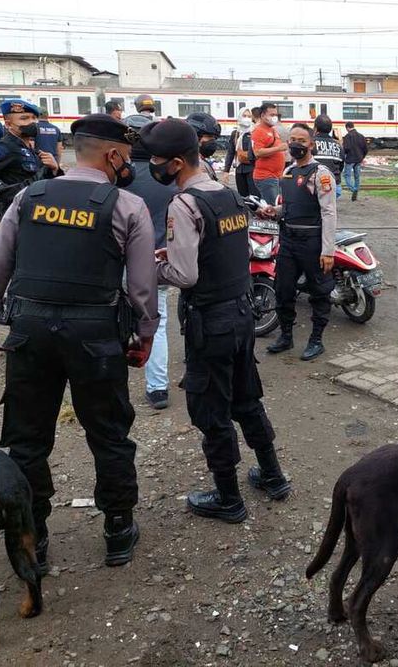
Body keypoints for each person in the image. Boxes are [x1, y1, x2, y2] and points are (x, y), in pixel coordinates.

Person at [0, 113, 159, 570]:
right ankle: (117, 529)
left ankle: (34, 533)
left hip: (30, 332)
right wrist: (145, 334)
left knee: (27, 440)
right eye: (126, 157)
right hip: (95, 336)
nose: (127, 165)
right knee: (109, 434)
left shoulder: (28, 197)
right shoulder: (127, 206)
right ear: (112, 155)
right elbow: (142, 287)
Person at [145, 118, 291, 521]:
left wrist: (149, 268)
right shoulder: (226, 195)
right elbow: (223, 250)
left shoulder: (184, 203)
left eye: (157, 160)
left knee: (212, 408)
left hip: (209, 320)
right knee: (247, 398)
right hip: (241, 313)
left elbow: (186, 275)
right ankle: (273, 476)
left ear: (176, 162)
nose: (153, 166)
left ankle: (228, 498)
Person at [259, 123, 338, 361]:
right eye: (292, 139)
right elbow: (292, 206)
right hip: (289, 241)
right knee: (283, 291)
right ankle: (285, 336)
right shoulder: (288, 172)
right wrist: (275, 210)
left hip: (313, 242)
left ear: (311, 144)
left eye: (301, 141)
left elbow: (329, 213)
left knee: (319, 293)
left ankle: (316, 340)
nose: (295, 144)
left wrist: (328, 251)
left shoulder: (321, 173)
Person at [123, 112, 177, 409]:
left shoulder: (119, 177)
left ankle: (111, 383)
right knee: (157, 324)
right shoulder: (170, 178)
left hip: (120, 262)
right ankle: (158, 388)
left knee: (112, 320)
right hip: (157, 262)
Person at [0, 100, 62, 226]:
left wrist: (54, 168)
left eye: (34, 118)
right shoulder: (5, 148)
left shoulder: (30, 148)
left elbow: (38, 181)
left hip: (34, 213)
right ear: (9, 124)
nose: (32, 122)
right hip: (16, 216)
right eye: (24, 118)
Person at [251, 102, 288, 205]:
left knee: (277, 205)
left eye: (275, 115)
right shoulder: (259, 131)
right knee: (272, 208)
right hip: (266, 177)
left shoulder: (272, 130)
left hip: (275, 176)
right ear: (262, 115)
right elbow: (257, 152)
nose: (274, 117)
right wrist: (278, 148)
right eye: (271, 115)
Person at [225, 107, 259, 198]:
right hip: (240, 169)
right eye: (244, 116)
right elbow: (231, 152)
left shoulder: (255, 132)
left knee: (254, 196)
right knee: (242, 196)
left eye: (249, 116)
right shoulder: (235, 133)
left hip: (253, 169)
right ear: (240, 116)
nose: (247, 118)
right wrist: (226, 171)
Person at [312, 114, 344, 197]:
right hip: (335, 186)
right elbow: (341, 166)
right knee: (329, 208)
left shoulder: (311, 144)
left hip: (316, 186)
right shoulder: (338, 145)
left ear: (315, 128)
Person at [185, 112, 223, 180]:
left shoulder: (197, 161)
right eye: (209, 136)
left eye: (214, 138)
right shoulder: (195, 167)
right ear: (196, 137)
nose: (213, 141)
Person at [341, 121, 368, 201]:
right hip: (359, 159)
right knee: (357, 176)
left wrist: (343, 155)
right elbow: (365, 149)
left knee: (346, 175)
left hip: (350, 159)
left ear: (347, 128)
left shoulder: (347, 136)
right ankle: (356, 189)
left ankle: (353, 189)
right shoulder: (361, 136)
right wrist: (362, 157)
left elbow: (346, 148)